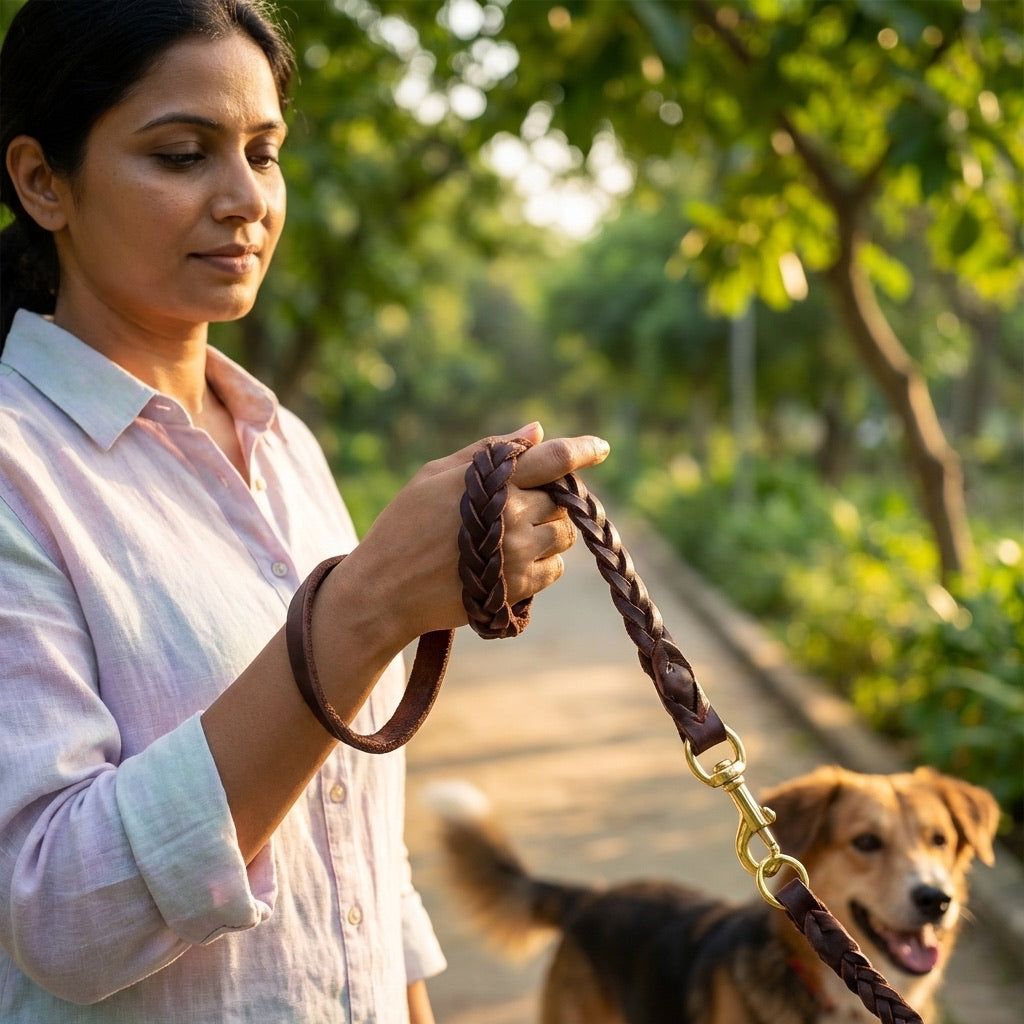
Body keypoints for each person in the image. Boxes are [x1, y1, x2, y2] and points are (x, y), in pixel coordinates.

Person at [0, 1, 609, 1020]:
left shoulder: (283, 444)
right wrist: (367, 607)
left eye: (264, 152)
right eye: (183, 154)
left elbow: (354, 843)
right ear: (42, 181)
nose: (245, 198)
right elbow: (60, 915)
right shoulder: (19, 469)